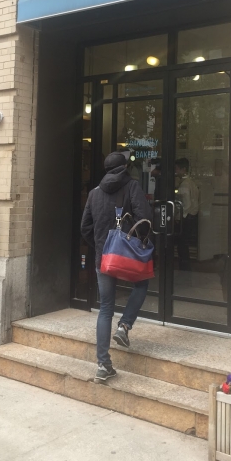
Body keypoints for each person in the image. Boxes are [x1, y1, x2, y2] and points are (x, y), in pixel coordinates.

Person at [81, 150, 152, 384]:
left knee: (105, 309)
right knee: (142, 285)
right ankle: (124, 326)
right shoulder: (132, 187)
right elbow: (145, 220)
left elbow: (85, 228)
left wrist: (102, 247)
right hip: (128, 256)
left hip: (104, 259)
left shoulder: (94, 193)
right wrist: (136, 243)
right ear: (124, 168)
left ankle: (103, 365)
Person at [174, 158, 199, 270]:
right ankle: (185, 263)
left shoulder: (185, 185)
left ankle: (184, 264)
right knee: (184, 242)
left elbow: (186, 204)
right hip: (192, 215)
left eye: (177, 169)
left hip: (186, 217)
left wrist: (180, 217)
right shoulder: (191, 183)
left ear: (183, 169)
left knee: (182, 243)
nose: (176, 171)